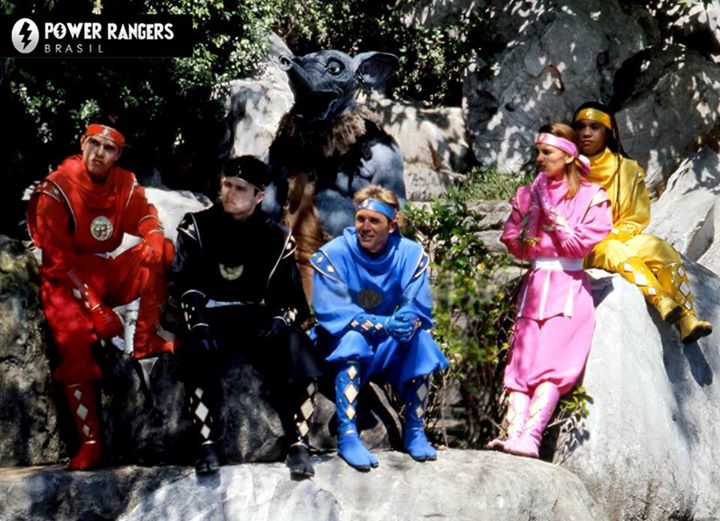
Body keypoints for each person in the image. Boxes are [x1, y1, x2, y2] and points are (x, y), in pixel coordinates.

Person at [26, 114, 175, 470]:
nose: (99, 153)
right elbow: (57, 260)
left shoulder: (123, 182)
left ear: (118, 154)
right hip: (64, 282)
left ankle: (146, 338)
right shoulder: (56, 187)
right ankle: (90, 442)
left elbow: (143, 215)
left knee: (163, 250)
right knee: (76, 342)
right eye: (94, 143)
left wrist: (153, 233)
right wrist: (95, 307)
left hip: (103, 271)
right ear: (82, 142)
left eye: (109, 148)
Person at [169, 155, 322, 477]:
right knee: (194, 351)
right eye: (226, 185)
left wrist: (281, 320)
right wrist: (197, 322)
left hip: (257, 317)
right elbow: (184, 281)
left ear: (259, 195)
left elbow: (291, 296)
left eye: (240, 188)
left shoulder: (277, 237)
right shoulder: (197, 226)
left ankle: (299, 443)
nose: (229, 193)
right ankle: (207, 444)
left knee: (301, 349)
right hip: (211, 315)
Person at [488, 123, 612, 458]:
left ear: (568, 155)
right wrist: (534, 208)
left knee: (552, 365)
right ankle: (512, 434)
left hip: (568, 289)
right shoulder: (527, 194)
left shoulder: (591, 196)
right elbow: (517, 244)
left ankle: (532, 436)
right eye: (537, 152)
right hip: (534, 288)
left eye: (547, 152)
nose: (540, 159)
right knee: (521, 365)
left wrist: (548, 207)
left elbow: (576, 246)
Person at [310, 185, 448, 471]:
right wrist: (386, 323)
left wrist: (407, 322)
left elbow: (416, 304)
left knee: (420, 342)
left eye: (374, 221)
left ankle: (415, 430)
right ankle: (348, 434)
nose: (365, 227)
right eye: (360, 219)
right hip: (336, 344)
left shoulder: (409, 253)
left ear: (392, 225)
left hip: (382, 345)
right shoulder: (334, 254)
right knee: (353, 338)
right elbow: (333, 313)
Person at [573, 102, 712, 344]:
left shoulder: (627, 169)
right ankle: (661, 300)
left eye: (594, 127)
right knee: (613, 249)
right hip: (582, 246)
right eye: (581, 126)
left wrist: (613, 234)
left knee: (661, 249)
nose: (586, 133)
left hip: (620, 236)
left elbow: (637, 216)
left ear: (608, 132)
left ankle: (687, 320)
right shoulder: (565, 168)